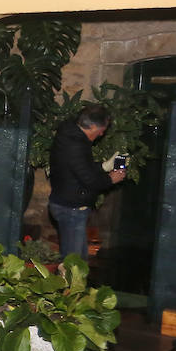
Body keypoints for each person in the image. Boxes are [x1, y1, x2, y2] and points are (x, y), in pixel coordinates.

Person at [47, 103, 125, 262]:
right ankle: (68, 287)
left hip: (67, 204)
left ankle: (72, 286)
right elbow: (89, 179)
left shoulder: (70, 134)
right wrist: (111, 178)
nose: (102, 134)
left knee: (79, 259)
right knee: (73, 264)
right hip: (71, 208)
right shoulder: (76, 144)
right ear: (94, 127)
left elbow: (78, 168)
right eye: (102, 130)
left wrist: (103, 166)